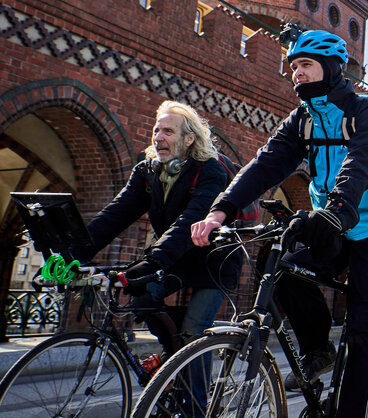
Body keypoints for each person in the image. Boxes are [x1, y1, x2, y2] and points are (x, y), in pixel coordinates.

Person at [191, 29, 368, 416]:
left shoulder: (367, 112)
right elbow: (265, 165)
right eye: (293, 66)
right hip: (334, 222)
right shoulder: (302, 120)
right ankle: (318, 350)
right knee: (284, 270)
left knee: (361, 324)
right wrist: (219, 211)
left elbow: (360, 162)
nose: (297, 73)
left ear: (331, 67)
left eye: (305, 65)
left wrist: (338, 208)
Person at [71, 101, 242, 414]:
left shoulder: (211, 171)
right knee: (143, 296)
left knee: (193, 329)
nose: (158, 137)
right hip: (176, 255)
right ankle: (174, 359)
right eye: (156, 130)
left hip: (213, 261)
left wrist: (150, 263)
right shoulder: (148, 170)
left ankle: (196, 408)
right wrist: (72, 255)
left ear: (189, 139)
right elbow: (116, 214)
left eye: (167, 131)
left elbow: (188, 221)